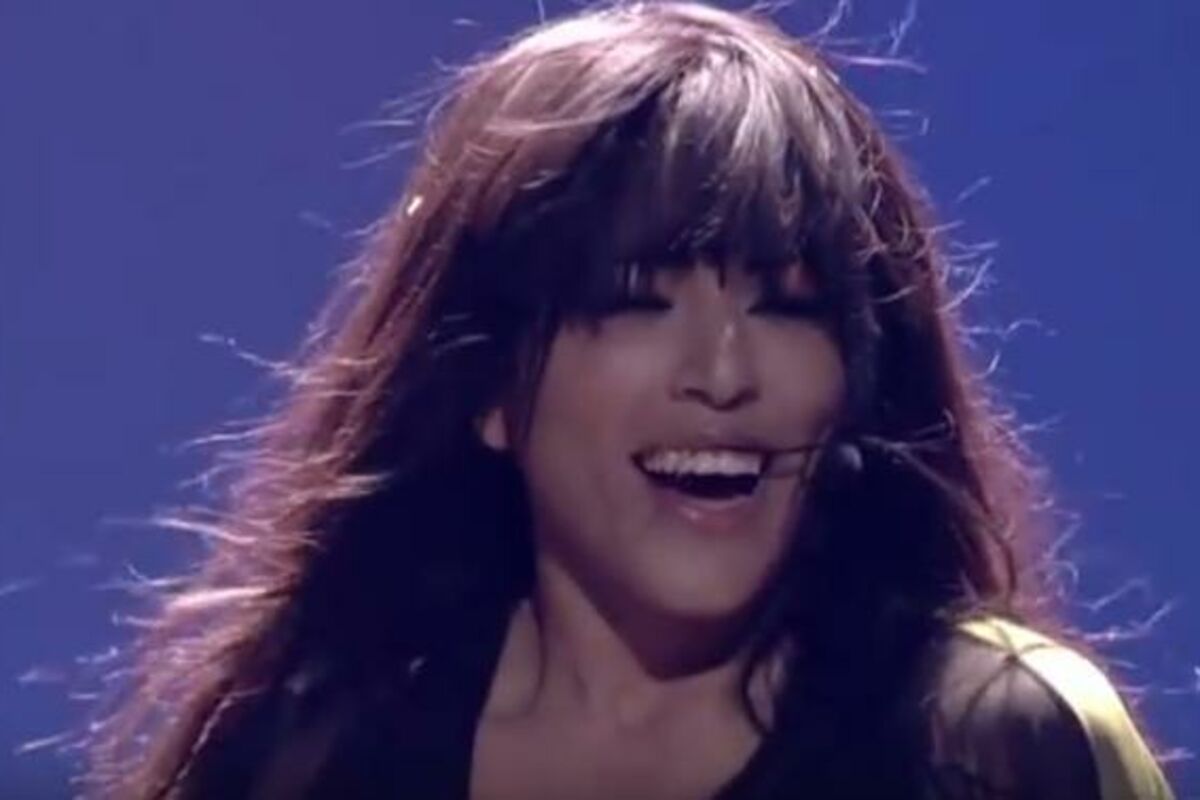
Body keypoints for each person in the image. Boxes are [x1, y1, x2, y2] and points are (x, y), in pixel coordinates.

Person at [87, 3, 1175, 798]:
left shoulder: (999, 743)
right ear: (488, 384)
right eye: (633, 301)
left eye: (790, 306)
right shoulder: (312, 749)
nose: (723, 372)